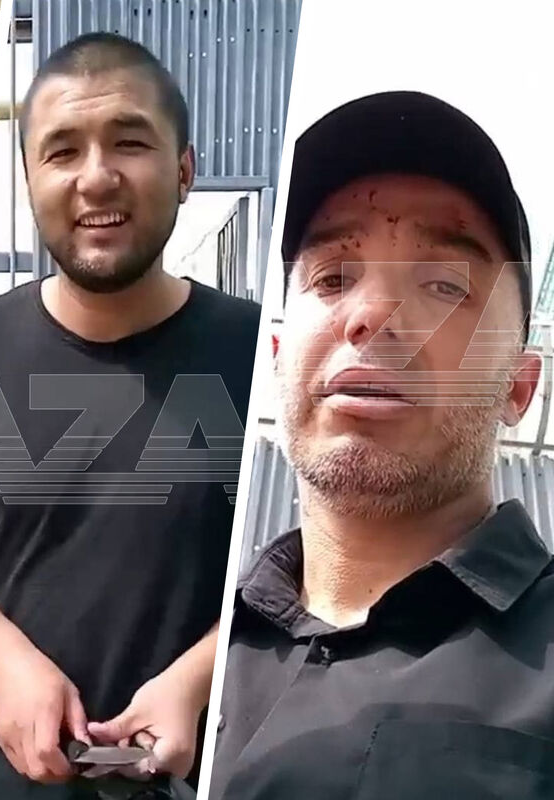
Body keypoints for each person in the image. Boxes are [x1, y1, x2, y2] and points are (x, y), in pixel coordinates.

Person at [0, 32, 260, 799]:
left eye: (130, 143)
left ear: (184, 171)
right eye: (62, 151)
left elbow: (305, 568)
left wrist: (194, 680)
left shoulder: (254, 352)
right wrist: (7, 663)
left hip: (183, 771)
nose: (97, 177)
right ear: (29, 180)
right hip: (7, 768)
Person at [209, 91, 550, 799]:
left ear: (519, 387)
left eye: (444, 284)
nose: (370, 314)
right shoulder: (193, 642)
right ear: (278, 357)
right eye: (333, 277)